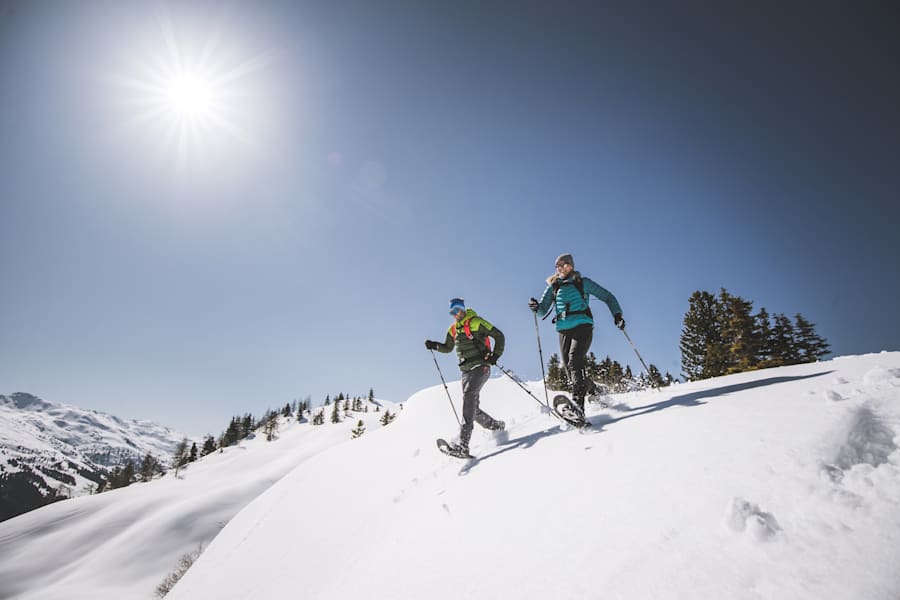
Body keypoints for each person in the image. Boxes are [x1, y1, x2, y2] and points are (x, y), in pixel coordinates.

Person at [529, 253, 624, 416]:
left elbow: (607, 296)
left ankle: (578, 408)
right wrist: (536, 307)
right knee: (571, 372)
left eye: (563, 264)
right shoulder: (553, 287)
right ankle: (595, 390)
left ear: (571, 265)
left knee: (574, 360)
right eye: (557, 266)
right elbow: (542, 311)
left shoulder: (582, 282)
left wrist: (617, 314)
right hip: (563, 330)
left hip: (583, 325)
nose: (559, 268)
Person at [425, 298, 506, 457]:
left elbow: (499, 336)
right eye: (451, 312)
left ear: (462, 309)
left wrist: (495, 355)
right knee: (473, 409)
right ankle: (496, 426)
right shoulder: (453, 329)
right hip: (466, 372)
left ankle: (463, 445)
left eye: (456, 310)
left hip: (481, 367)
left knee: (468, 397)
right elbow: (448, 348)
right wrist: (434, 345)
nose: (454, 314)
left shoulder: (476, 322)